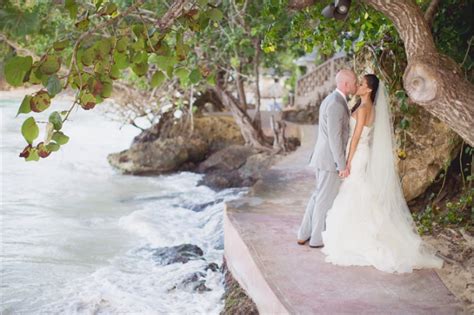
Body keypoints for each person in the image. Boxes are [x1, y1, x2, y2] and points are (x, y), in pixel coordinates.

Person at [320, 74, 444, 273]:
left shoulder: (362, 109)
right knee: (359, 191)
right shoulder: (370, 108)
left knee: (354, 191)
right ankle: (366, 230)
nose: (358, 86)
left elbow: (356, 138)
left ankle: (358, 237)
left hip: (358, 154)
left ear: (369, 89)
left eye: (361, 84)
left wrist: (346, 163)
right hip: (363, 153)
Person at [296, 69, 357, 248]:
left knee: (317, 197)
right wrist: (341, 165)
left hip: (323, 158)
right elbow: (334, 138)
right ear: (346, 84)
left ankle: (303, 233)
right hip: (329, 161)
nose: (355, 84)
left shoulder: (332, 99)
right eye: (354, 82)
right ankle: (316, 239)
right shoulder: (337, 103)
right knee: (323, 200)